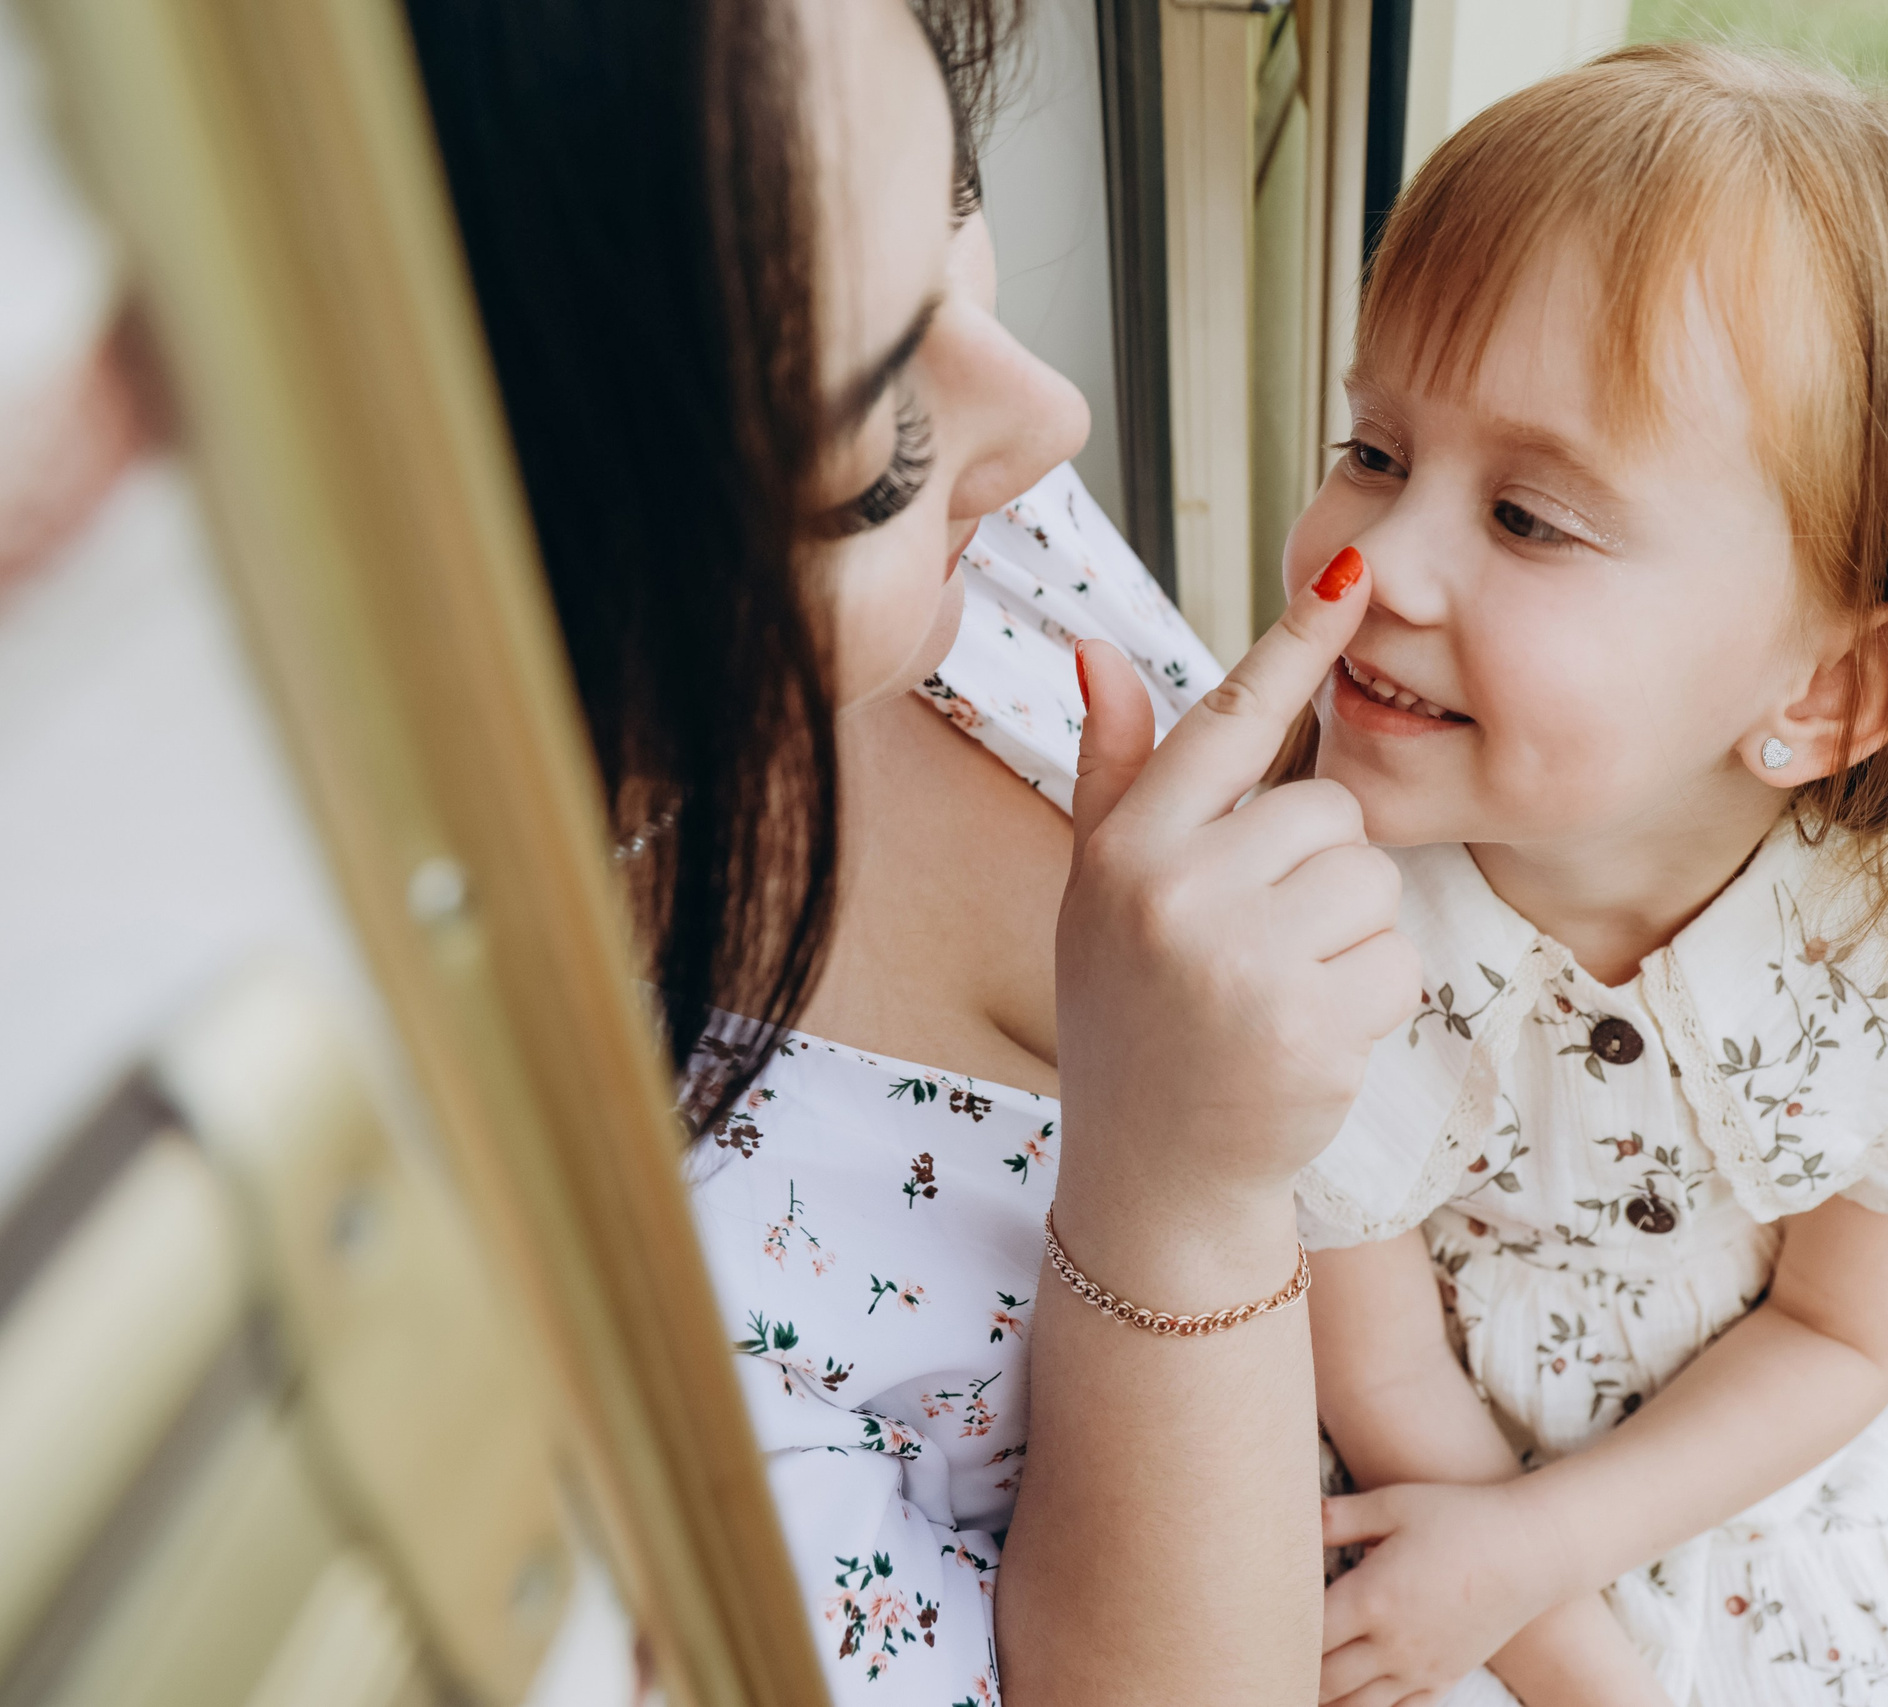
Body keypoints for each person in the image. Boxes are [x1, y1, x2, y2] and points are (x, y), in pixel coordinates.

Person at [404, 2, 1415, 1702]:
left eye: (953, 185)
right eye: (874, 456)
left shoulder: (988, 548)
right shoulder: (572, 1292)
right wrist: (1179, 1203)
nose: (1053, 419)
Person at [1274, 46, 1888, 1707]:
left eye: (1527, 517)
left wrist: (1559, 1562)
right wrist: (1571, 1654)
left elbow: (1848, 1336)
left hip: (1735, 1504)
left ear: (1827, 693)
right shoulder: (1310, 909)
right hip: (1410, 1501)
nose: (1381, 566)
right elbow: (1372, 1366)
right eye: (1374, 449)